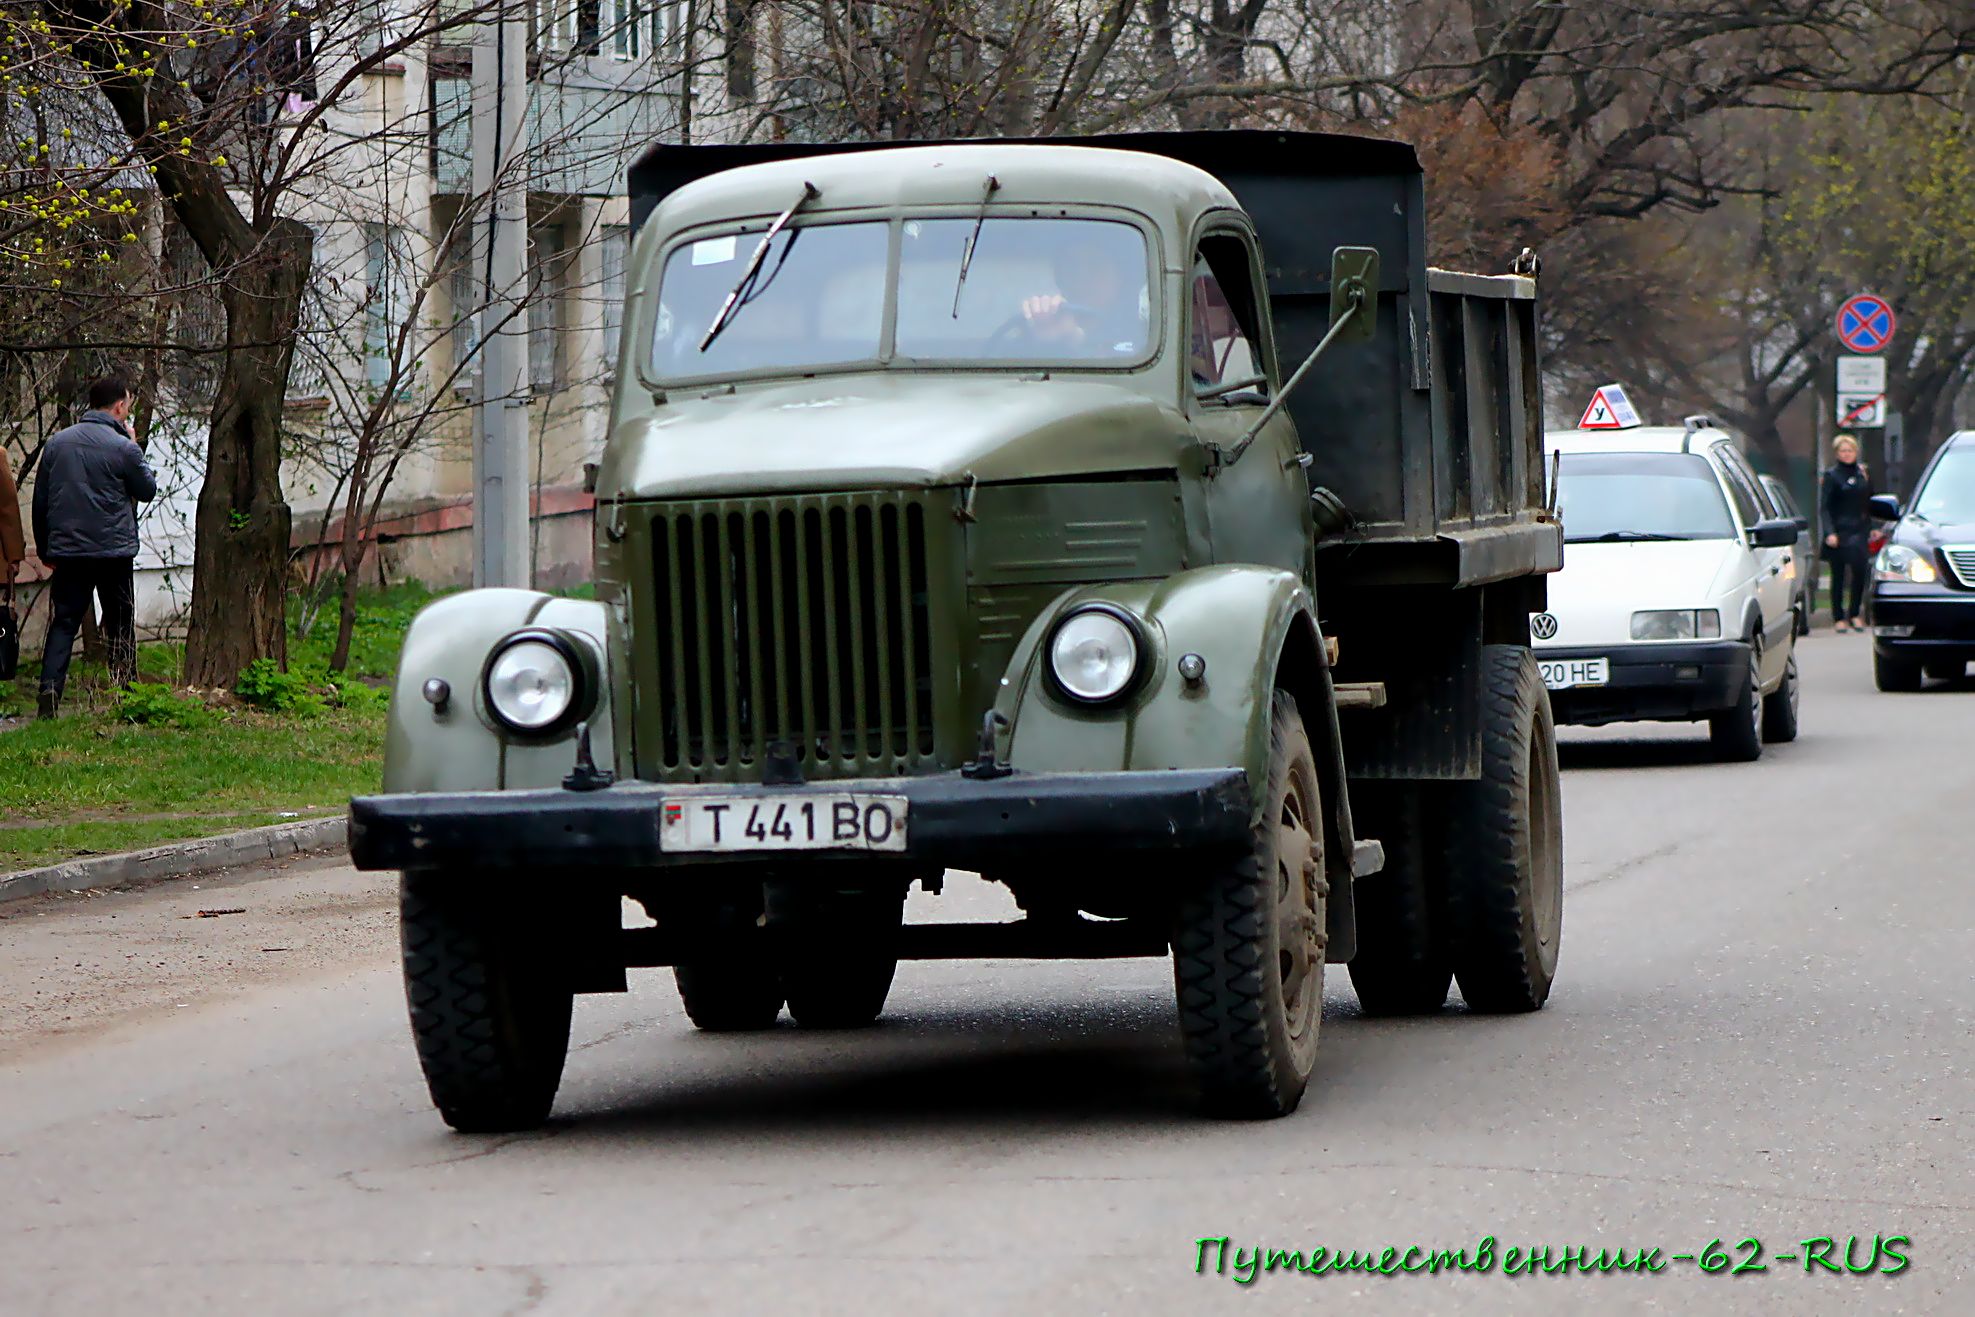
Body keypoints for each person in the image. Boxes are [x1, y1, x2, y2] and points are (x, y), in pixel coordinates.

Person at [30, 377, 155, 717]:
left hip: (69, 551)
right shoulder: (123, 447)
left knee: (64, 622)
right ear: (119, 407)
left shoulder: (57, 444)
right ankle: (126, 695)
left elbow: (40, 502)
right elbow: (146, 490)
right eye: (127, 405)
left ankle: (50, 693)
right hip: (113, 553)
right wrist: (134, 445)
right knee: (119, 622)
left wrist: (45, 549)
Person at [1017, 233, 1147, 357]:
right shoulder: (1032, 334)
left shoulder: (1145, 334)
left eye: (1096, 265)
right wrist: (1043, 337)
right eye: (1071, 266)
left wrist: (1077, 340)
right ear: (1059, 278)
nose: (1081, 277)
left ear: (1120, 278)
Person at [1820, 433, 1873, 633]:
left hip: (1860, 530)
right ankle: (1838, 617)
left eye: (1850, 450)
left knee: (1860, 571)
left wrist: (1873, 527)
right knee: (1839, 575)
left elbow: (1870, 502)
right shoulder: (1832, 476)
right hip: (1839, 530)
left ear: (1856, 452)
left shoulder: (1863, 474)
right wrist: (1829, 532)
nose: (1847, 454)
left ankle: (1854, 614)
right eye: (1843, 451)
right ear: (1837, 453)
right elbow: (1824, 507)